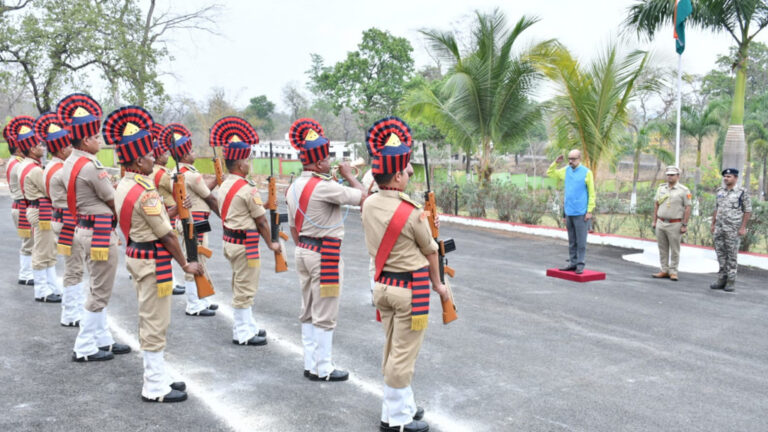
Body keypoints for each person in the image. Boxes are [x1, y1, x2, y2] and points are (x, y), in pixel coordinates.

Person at [106, 105, 203, 403]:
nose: (153, 158)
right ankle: (154, 385)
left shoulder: (125, 184)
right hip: (152, 260)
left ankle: (159, 374)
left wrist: (176, 207)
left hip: (140, 254)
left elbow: (152, 218)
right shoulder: (146, 191)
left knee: (152, 317)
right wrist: (186, 263)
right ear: (138, 159)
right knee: (154, 321)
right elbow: (166, 234)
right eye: (149, 154)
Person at [361, 116, 448, 432]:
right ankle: (397, 422)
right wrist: (439, 285)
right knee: (403, 355)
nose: (409, 177)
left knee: (391, 349)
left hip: (383, 287)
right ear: (397, 175)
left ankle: (397, 409)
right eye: (406, 172)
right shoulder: (410, 212)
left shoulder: (369, 204)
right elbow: (431, 250)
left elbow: (373, 189)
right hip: (410, 291)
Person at [286, 118, 365, 381]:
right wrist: (350, 176)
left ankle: (311, 364)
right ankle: (324, 367)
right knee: (325, 313)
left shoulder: (294, 185)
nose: (330, 163)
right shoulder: (325, 186)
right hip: (325, 254)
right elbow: (364, 196)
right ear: (318, 163)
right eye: (328, 160)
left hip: (303, 250)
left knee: (308, 309)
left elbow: (293, 226)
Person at [58, 93, 130, 362]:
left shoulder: (70, 161)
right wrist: (125, 229)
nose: (100, 141)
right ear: (86, 140)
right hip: (99, 232)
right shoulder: (90, 166)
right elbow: (113, 200)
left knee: (96, 286)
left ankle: (103, 339)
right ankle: (85, 345)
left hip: (86, 229)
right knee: (100, 291)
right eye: (97, 137)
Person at [212, 116, 281, 345]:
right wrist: (272, 242)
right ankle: (242, 332)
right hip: (246, 245)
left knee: (240, 282)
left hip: (231, 241)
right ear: (241, 164)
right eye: (247, 159)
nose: (249, 163)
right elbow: (261, 221)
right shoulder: (247, 189)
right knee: (245, 287)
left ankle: (248, 324)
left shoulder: (226, 184)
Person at [166, 123, 220, 316]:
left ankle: (201, 299)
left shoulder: (177, 173)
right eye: (191, 150)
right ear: (184, 155)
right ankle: (194, 304)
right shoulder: (192, 175)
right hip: (195, 222)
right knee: (195, 260)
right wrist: (224, 218)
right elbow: (210, 198)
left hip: (191, 220)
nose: (194, 153)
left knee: (200, 261)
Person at [37, 112, 86, 326]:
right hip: (68, 220)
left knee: (72, 266)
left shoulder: (51, 166)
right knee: (74, 268)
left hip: (60, 218)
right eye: (68, 147)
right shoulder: (61, 170)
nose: (71, 150)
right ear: (61, 149)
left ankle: (73, 309)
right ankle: (72, 313)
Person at [11, 117, 62, 303]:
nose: (42, 147)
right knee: (42, 251)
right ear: (32, 149)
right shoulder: (34, 170)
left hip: (36, 209)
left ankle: (50, 286)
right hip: (41, 211)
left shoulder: (25, 165)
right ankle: (42, 290)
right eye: (39, 145)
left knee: (46, 249)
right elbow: (50, 190)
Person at [149, 122, 185, 296]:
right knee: (168, 249)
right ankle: (168, 282)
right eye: (163, 153)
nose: (166, 155)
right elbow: (176, 190)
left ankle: (169, 281)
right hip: (169, 211)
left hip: (159, 209)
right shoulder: (163, 174)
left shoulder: (152, 171)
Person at [547, 150, 596, 274]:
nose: (570, 161)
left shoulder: (587, 173)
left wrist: (589, 210)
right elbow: (550, 173)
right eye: (569, 158)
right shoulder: (566, 170)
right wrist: (555, 163)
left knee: (581, 241)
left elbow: (592, 193)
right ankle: (572, 263)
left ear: (579, 159)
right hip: (569, 212)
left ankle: (580, 264)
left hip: (581, 212)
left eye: (573, 159)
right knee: (572, 241)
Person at [710, 168, 752, 292]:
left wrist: (743, 227)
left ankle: (731, 281)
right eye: (725, 176)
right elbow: (716, 208)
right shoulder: (720, 191)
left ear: (735, 178)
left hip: (733, 229)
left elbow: (747, 210)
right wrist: (713, 224)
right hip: (719, 228)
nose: (726, 178)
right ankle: (721, 279)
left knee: (731, 255)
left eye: (729, 176)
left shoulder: (742, 192)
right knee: (720, 254)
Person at [4, 118, 35, 286]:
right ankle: (26, 273)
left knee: (29, 240)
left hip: (19, 204)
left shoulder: (14, 162)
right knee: (29, 241)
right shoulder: (18, 164)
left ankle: (27, 272)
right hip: (22, 204)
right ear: (18, 147)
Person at [651, 166, 692, 281]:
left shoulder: (684, 190)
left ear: (678, 176)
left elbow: (688, 207)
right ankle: (664, 270)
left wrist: (685, 224)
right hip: (661, 222)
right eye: (668, 174)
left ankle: (673, 271)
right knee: (662, 248)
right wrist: (654, 221)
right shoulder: (661, 188)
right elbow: (656, 205)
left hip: (675, 223)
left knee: (675, 249)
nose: (670, 177)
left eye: (672, 175)